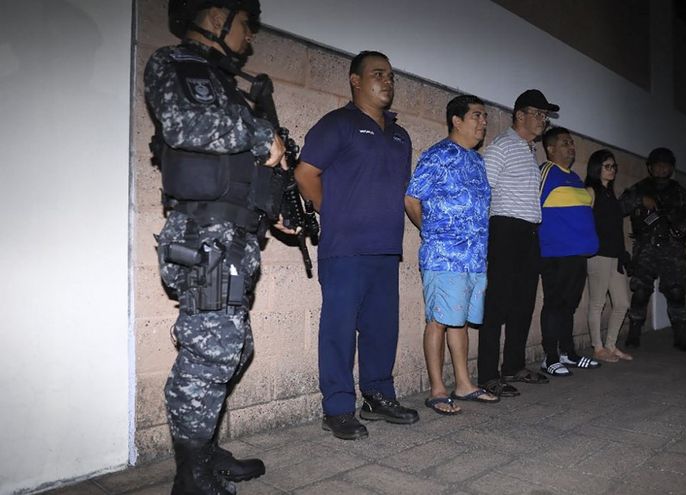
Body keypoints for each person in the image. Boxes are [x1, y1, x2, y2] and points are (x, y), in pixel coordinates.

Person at [145, 1, 293, 492]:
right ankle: (191, 476)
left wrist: (276, 209)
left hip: (232, 240)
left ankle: (204, 451)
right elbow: (184, 127)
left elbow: (239, 171)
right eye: (245, 24)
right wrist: (261, 134)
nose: (249, 36)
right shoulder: (175, 63)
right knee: (209, 355)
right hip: (204, 236)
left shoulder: (225, 86)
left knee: (233, 348)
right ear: (214, 18)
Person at [295, 50, 419, 440]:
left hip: (386, 247)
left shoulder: (400, 136)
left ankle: (378, 396)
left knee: (382, 328)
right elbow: (305, 173)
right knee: (339, 330)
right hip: (345, 248)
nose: (387, 81)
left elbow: (401, 189)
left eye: (391, 75)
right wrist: (333, 211)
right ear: (355, 80)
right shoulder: (338, 124)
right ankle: (337, 409)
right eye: (378, 74)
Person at [404, 95, 500, 415]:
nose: (483, 122)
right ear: (456, 121)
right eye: (477, 116)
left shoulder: (477, 161)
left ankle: (464, 384)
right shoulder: (438, 155)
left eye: (484, 117)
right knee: (439, 321)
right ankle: (437, 389)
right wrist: (431, 232)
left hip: (474, 259)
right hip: (444, 257)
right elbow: (412, 198)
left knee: (458, 322)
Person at [477, 89, 558, 397]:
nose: (543, 120)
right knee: (496, 305)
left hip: (528, 233)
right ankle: (488, 374)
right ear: (520, 115)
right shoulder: (502, 146)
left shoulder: (528, 149)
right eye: (538, 114)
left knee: (523, 303)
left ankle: (513, 365)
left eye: (545, 115)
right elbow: (484, 190)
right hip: (505, 230)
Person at [620, 147, 686, 351]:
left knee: (676, 291)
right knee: (640, 291)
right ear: (650, 167)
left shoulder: (679, 192)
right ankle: (634, 333)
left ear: (671, 168)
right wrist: (640, 200)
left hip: (671, 248)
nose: (661, 169)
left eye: (666, 165)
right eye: (657, 165)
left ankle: (680, 335)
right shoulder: (640, 188)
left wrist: (680, 229)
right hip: (645, 248)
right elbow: (620, 206)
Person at [537, 127, 602, 376]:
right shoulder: (546, 172)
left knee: (568, 306)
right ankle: (550, 358)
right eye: (565, 143)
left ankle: (568, 353)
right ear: (550, 148)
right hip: (555, 253)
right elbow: (532, 207)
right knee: (554, 304)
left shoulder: (574, 177)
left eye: (572, 143)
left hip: (577, 255)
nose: (571, 147)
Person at [584, 150, 632, 362]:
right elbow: (584, 223)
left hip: (615, 255)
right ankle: (598, 347)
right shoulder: (590, 191)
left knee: (622, 303)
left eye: (614, 167)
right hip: (598, 255)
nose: (612, 170)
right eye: (607, 166)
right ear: (597, 168)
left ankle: (611, 345)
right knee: (597, 303)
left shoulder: (611, 194)